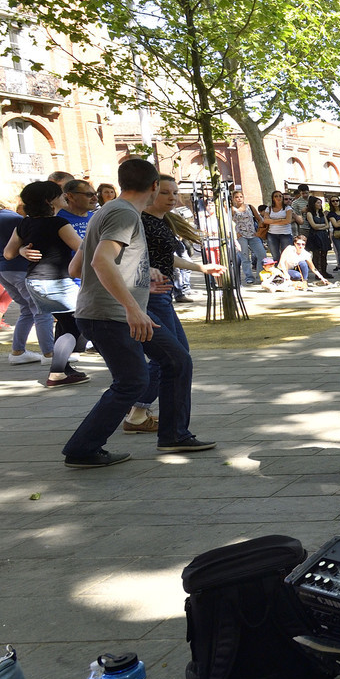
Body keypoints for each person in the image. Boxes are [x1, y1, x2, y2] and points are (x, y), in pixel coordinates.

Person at [61, 158, 221, 467]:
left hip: (110, 312)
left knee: (176, 360)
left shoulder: (105, 211)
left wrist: (142, 277)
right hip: (111, 316)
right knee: (132, 382)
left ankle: (174, 435)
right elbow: (100, 262)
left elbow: (75, 266)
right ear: (154, 187)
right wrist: (132, 307)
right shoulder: (125, 214)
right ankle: (82, 449)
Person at [121, 175, 211, 434]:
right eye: (165, 193)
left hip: (162, 294)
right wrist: (147, 271)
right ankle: (137, 412)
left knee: (176, 354)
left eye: (175, 192)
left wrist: (200, 267)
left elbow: (166, 259)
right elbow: (121, 257)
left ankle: (138, 411)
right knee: (172, 356)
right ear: (151, 193)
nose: (172, 197)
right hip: (150, 295)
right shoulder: (139, 222)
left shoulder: (160, 222)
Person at [4, 180, 86, 386]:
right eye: (61, 195)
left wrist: (22, 251)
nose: (65, 197)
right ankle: (58, 371)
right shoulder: (59, 224)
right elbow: (83, 248)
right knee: (77, 327)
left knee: (67, 324)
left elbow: (8, 253)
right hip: (56, 282)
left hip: (35, 282)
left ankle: (62, 368)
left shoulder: (25, 223)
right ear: (50, 201)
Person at [0, 198, 44, 366]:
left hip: (4, 271)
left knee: (27, 309)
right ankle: (50, 353)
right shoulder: (14, 219)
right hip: (19, 268)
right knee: (40, 309)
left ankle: (18, 351)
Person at [263, 191, 294, 260]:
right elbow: (265, 221)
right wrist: (280, 220)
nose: (278, 198)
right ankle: (277, 269)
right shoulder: (269, 208)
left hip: (285, 234)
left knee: (286, 256)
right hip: (272, 234)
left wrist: (272, 221)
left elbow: (288, 221)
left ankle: (286, 270)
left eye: (280, 196)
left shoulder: (287, 208)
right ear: (273, 198)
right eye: (276, 196)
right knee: (275, 255)